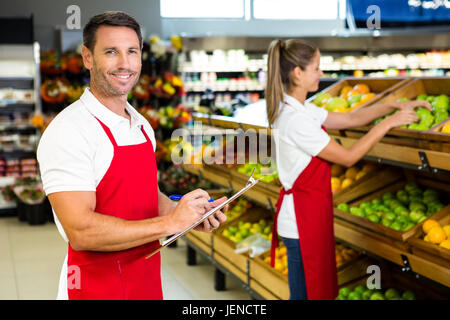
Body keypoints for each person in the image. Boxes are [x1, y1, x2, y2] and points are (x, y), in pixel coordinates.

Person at [37, 11, 228, 300]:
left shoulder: (140, 125)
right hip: (93, 287)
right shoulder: (69, 130)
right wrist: (169, 224)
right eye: (111, 52)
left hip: (145, 281)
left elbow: (147, 198)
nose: (124, 64)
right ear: (88, 57)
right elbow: (81, 231)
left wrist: (186, 215)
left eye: (132, 52)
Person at [266, 39, 431, 300]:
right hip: (301, 223)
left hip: (311, 216)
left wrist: (393, 106)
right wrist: (388, 124)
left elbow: (352, 118)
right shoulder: (294, 119)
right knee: (304, 296)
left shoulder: (300, 109)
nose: (321, 74)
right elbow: (349, 157)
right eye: (317, 68)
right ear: (298, 73)